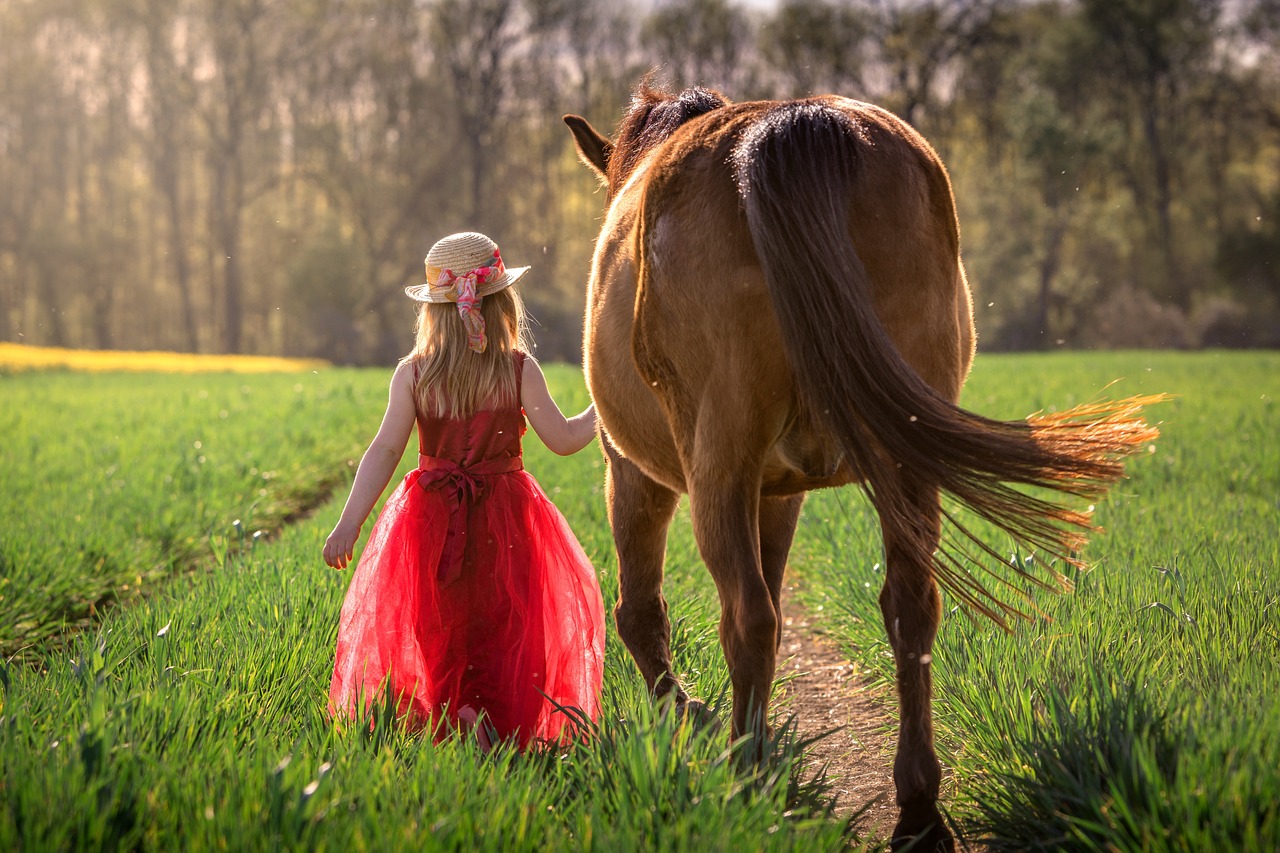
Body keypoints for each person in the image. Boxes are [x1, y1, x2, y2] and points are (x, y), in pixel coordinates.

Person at [323, 231, 605, 751]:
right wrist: (607, 404)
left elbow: (384, 450)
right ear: (501, 303)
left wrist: (351, 522)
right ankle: (499, 723)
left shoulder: (414, 374)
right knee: (507, 621)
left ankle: (458, 715)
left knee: (441, 622)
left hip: (431, 517)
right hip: (508, 518)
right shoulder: (518, 367)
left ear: (432, 311)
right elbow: (565, 439)